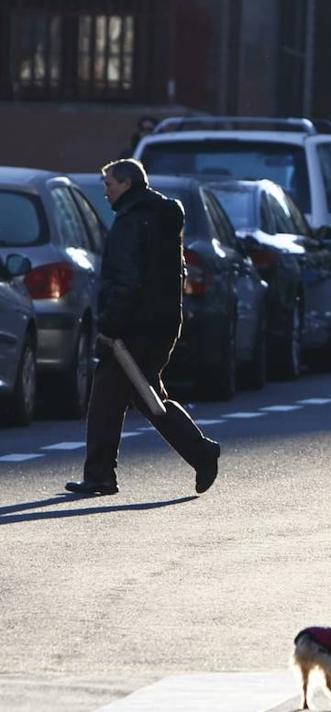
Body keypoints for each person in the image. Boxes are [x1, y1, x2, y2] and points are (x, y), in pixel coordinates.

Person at [64, 159, 220, 497]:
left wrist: (110, 323)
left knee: (110, 397)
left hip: (131, 328)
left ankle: (102, 476)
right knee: (146, 395)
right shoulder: (163, 219)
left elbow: (126, 279)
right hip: (161, 324)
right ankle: (197, 452)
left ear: (127, 184)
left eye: (110, 185)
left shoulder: (132, 222)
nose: (106, 192)